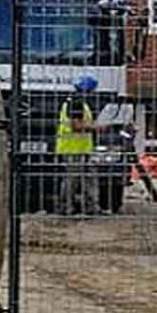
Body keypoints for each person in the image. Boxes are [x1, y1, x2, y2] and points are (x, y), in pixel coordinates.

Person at [55, 75, 100, 215]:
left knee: (89, 178)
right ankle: (66, 208)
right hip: (72, 148)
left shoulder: (76, 102)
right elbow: (76, 126)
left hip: (82, 148)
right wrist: (97, 127)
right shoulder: (76, 103)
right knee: (72, 180)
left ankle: (91, 207)